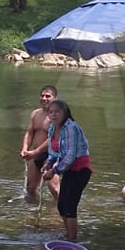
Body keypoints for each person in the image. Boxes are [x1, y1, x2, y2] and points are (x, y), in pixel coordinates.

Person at [41, 99, 92, 241]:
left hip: (80, 169)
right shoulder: (52, 128)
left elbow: (70, 155)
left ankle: (72, 240)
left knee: (70, 207)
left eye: (57, 112)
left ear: (65, 113)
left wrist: (54, 171)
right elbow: (54, 151)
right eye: (51, 112)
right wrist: (49, 163)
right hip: (68, 170)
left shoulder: (71, 128)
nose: (53, 115)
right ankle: (69, 235)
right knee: (61, 206)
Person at [21, 85, 59, 202]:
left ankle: (62, 211)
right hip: (35, 154)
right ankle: (34, 212)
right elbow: (30, 132)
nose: (44, 98)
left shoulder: (57, 116)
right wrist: (25, 148)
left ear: (55, 99)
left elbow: (53, 138)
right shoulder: (35, 114)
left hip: (51, 155)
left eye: (48, 96)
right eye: (42, 96)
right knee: (30, 188)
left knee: (54, 188)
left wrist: (35, 152)